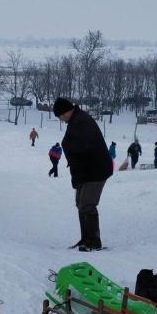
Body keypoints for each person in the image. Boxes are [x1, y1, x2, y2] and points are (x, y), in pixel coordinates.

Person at [53, 98, 112, 252]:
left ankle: (94, 241)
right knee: (81, 204)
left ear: (68, 110)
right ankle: (86, 239)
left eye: (61, 116)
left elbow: (82, 147)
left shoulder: (82, 121)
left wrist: (68, 148)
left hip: (96, 170)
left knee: (87, 204)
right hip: (86, 171)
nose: (61, 119)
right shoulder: (76, 120)